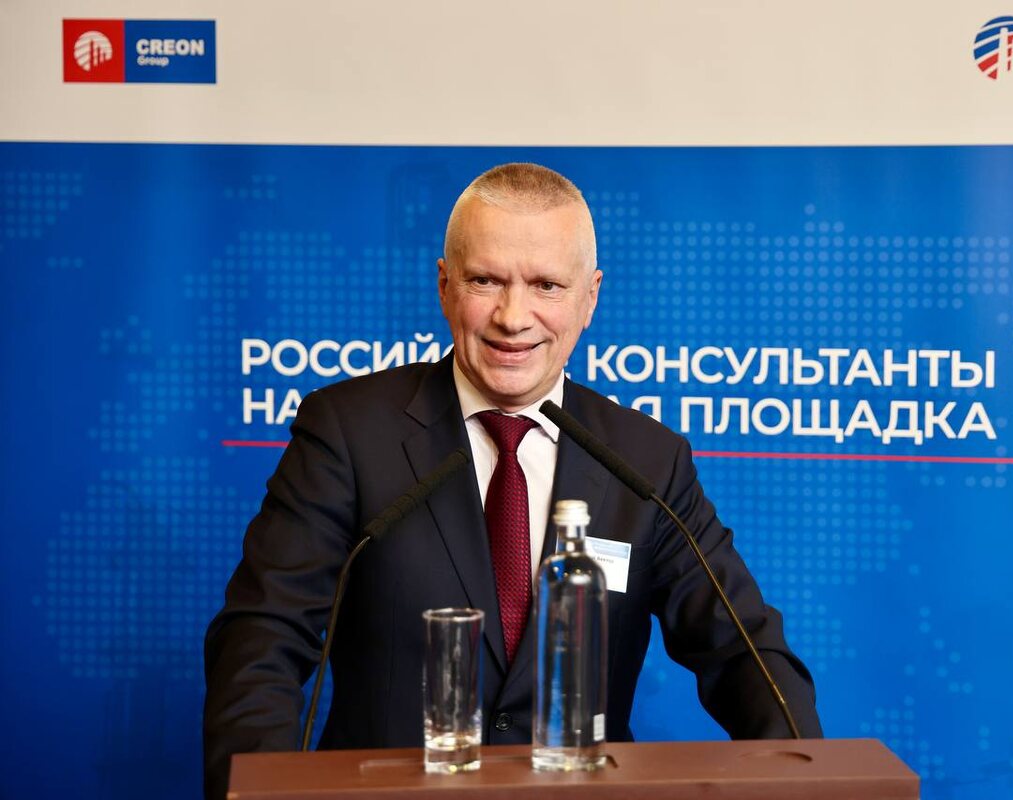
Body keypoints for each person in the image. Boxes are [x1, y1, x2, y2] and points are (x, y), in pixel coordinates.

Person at [203, 162, 822, 799]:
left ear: (590, 298)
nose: (513, 316)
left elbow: (743, 651)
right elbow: (263, 639)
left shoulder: (647, 461)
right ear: (444, 286)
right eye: (486, 281)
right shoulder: (348, 432)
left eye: (546, 285)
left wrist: (809, 780)